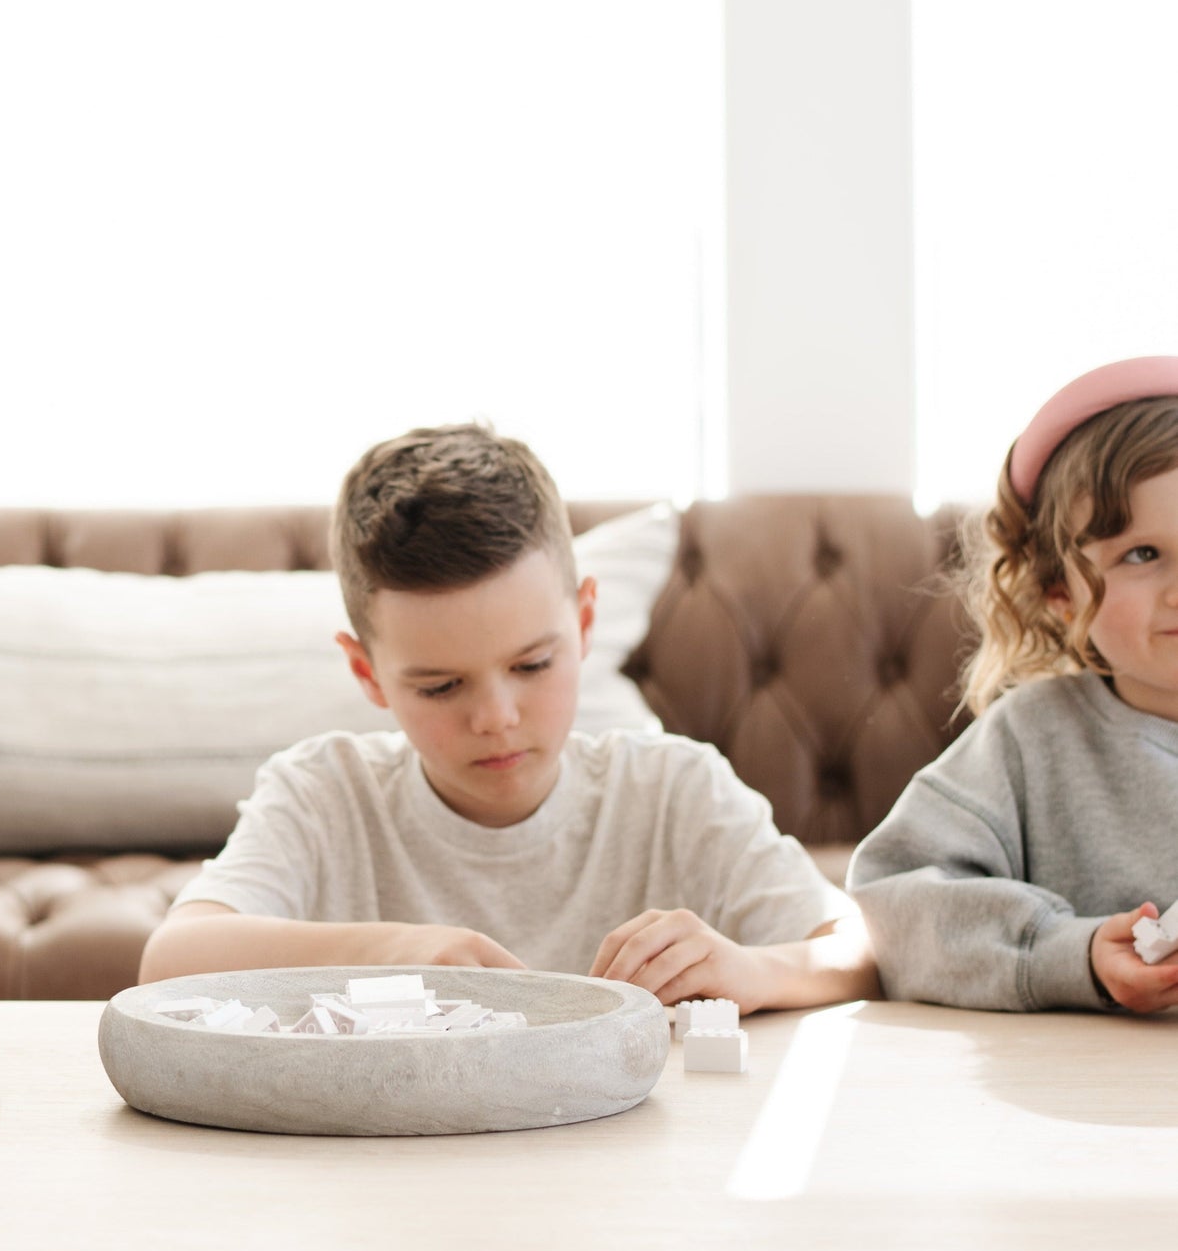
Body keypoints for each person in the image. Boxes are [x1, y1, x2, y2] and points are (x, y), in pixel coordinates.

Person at [139, 423, 876, 1010]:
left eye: (531, 666)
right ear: (367, 673)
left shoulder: (673, 789)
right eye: (439, 686)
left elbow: (855, 948)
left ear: (586, 623)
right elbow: (169, 961)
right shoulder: (324, 792)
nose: (495, 717)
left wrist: (755, 969)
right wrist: (398, 951)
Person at [849, 358, 1178, 1015]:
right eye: (1142, 555)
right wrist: (1069, 951)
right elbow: (891, 903)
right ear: (1060, 592)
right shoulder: (1032, 738)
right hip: (1076, 1095)